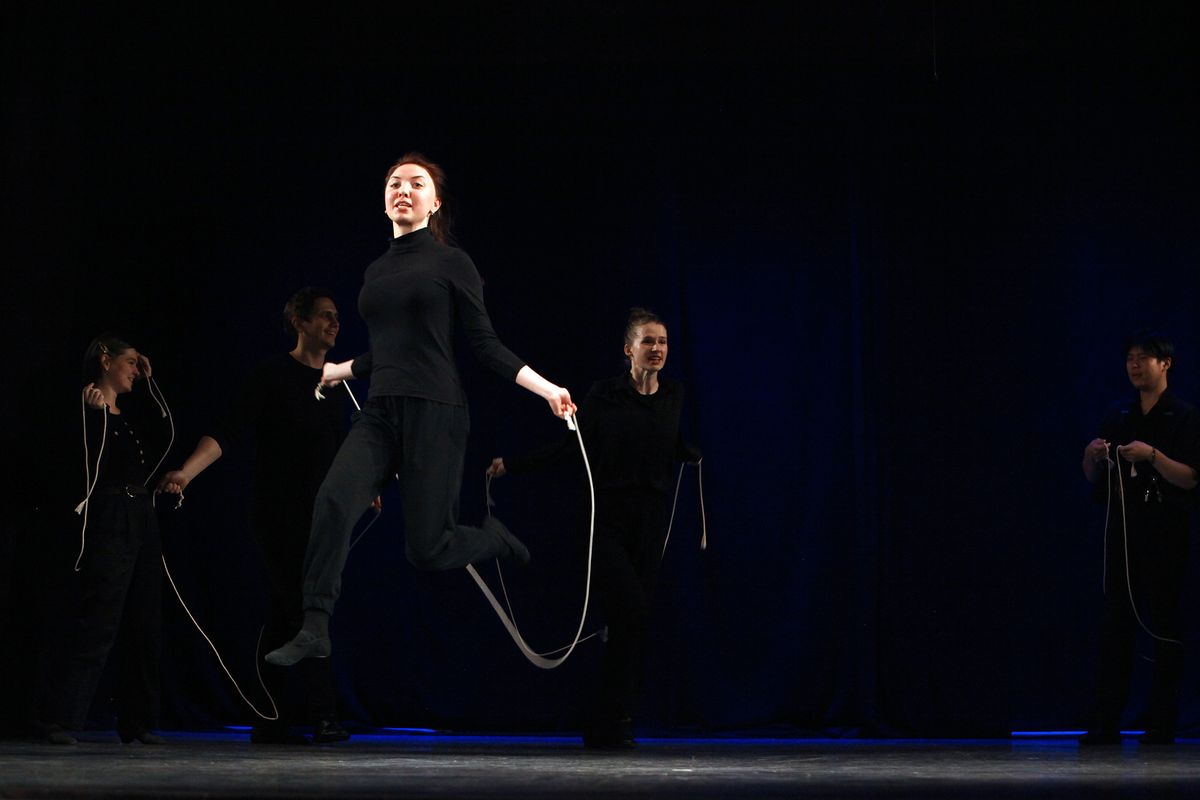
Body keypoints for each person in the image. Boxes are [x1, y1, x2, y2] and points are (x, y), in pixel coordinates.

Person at [264, 153, 576, 667]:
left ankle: (494, 540)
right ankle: (315, 625)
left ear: (434, 204)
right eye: (394, 183)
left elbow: (484, 343)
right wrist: (341, 370)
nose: (403, 189)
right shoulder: (376, 269)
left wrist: (547, 389)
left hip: (437, 413)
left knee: (427, 550)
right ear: (385, 199)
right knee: (334, 500)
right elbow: (390, 349)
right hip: (380, 412)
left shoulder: (452, 263)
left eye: (417, 183)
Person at [487, 308, 701, 748]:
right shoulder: (605, 395)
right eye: (648, 341)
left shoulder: (675, 395)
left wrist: (693, 454)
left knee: (630, 624)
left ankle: (611, 721)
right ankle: (614, 718)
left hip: (651, 523)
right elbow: (572, 448)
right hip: (607, 522)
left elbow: (671, 444)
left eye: (662, 341)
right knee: (631, 612)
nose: (657, 349)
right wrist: (514, 465)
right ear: (628, 350)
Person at [157, 288, 353, 745]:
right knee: (298, 607)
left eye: (336, 317)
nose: (334, 323)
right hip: (278, 514)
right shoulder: (271, 376)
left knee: (301, 612)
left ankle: (274, 717)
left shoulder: (334, 384)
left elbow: (342, 449)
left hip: (323, 517)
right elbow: (228, 431)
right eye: (325, 316)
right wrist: (186, 472)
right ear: (299, 322)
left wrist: (364, 489)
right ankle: (313, 714)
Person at [37, 335, 169, 745]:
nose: (135, 371)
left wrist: (150, 382)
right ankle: (62, 718)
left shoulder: (128, 415)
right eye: (130, 363)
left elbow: (165, 436)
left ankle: (138, 720)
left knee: (144, 617)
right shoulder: (85, 410)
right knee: (101, 616)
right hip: (111, 514)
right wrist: (95, 418)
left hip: (140, 513)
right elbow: (82, 466)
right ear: (106, 361)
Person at [1080, 329, 1200, 745]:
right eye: (1130, 358)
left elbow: (1190, 478)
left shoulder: (1184, 416)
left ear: (1164, 364)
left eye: (1143, 358)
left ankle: (1161, 722)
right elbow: (1094, 479)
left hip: (1165, 536)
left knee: (1163, 627)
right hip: (1122, 536)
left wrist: (1152, 455)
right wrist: (1091, 456)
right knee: (1115, 628)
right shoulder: (1119, 414)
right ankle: (1105, 722)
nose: (1134, 365)